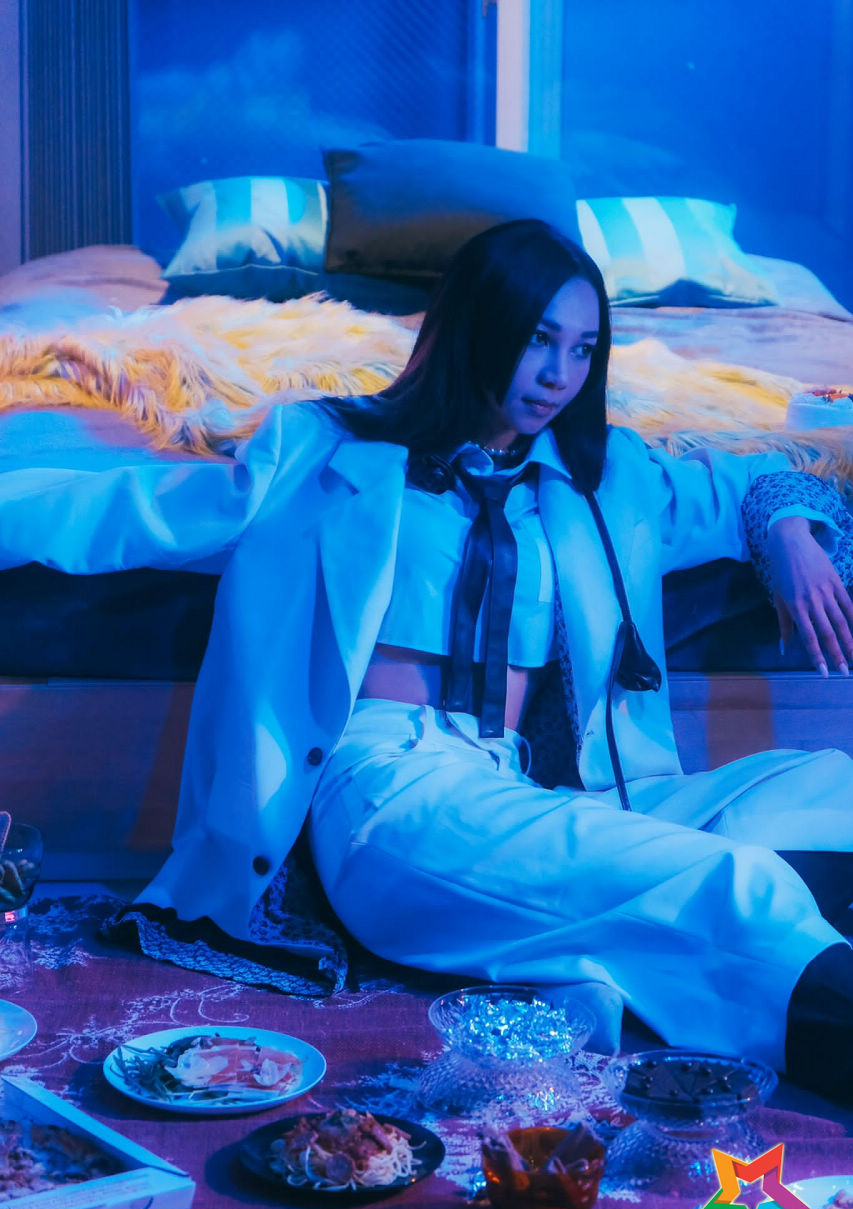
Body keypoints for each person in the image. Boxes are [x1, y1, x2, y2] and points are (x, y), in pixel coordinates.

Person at [1, 219, 852, 1098]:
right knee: (729, 883)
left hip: (558, 787)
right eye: (537, 339)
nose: (558, 375)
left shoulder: (609, 478)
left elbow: (755, 476)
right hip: (391, 788)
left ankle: (686, 954)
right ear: (476, 327)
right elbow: (125, 508)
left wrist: (788, 532)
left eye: (581, 348)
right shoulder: (325, 454)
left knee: (830, 789)